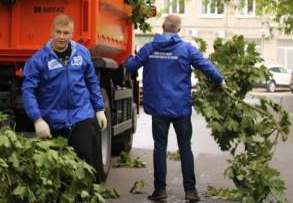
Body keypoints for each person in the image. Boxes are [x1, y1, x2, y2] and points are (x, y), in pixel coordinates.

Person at [124, 15, 225, 202]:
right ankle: (191, 191)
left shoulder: (150, 48)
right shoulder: (186, 49)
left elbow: (131, 65)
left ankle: (160, 190)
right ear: (179, 30)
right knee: (185, 148)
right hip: (180, 108)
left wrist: (130, 57)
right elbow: (205, 66)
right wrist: (221, 80)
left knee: (159, 148)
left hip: (158, 108)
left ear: (163, 26)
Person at [21, 14, 107, 182]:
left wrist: (100, 109)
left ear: (72, 33)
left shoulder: (82, 53)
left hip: (81, 115)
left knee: (84, 158)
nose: (61, 37)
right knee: (57, 172)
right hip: (53, 120)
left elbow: (92, 82)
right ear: (51, 32)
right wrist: (37, 119)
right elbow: (27, 90)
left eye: (66, 33)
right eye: (58, 32)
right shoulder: (39, 59)